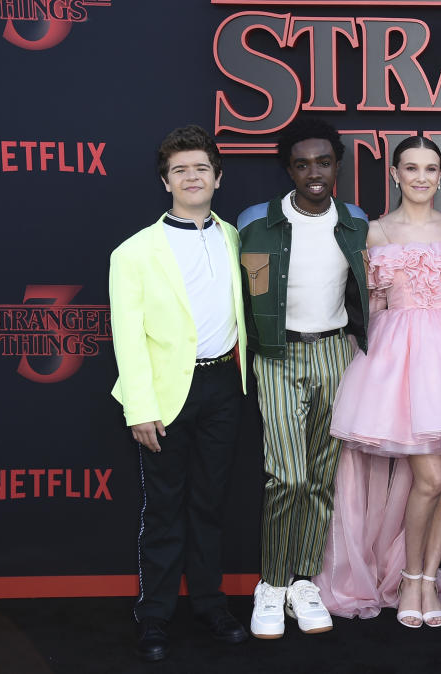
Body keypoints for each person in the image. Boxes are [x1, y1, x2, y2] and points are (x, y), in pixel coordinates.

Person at [326, 135, 441, 628]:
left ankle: (427, 579)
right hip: (401, 361)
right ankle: (407, 578)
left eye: (430, 168)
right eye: (411, 168)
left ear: (440, 175)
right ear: (395, 174)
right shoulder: (378, 232)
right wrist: (370, 370)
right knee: (428, 477)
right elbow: (374, 306)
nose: (421, 177)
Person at [109, 125, 249, 661]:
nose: (191, 177)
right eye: (180, 170)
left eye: (200, 168)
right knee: (164, 509)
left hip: (223, 386)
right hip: (166, 394)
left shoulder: (237, 236)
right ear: (166, 181)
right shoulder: (135, 252)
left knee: (211, 504)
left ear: (217, 177)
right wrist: (140, 407)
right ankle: (156, 616)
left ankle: (211, 604)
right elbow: (127, 335)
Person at [237, 117, 369, 639]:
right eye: (302, 163)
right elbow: (243, 293)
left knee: (320, 477)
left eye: (323, 161)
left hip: (336, 352)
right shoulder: (256, 222)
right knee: (286, 476)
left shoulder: (355, 220)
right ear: (287, 168)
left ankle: (302, 582)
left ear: (337, 165)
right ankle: (270, 585)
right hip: (277, 355)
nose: (313, 172)